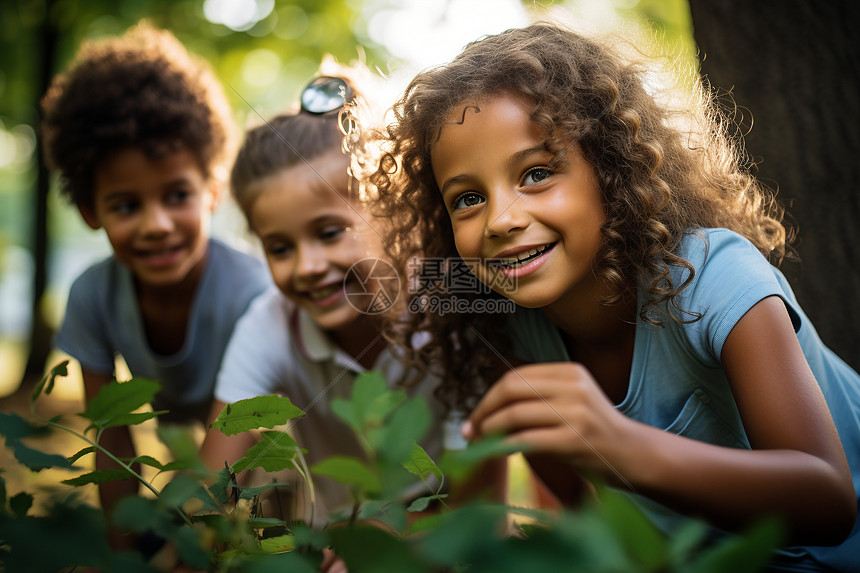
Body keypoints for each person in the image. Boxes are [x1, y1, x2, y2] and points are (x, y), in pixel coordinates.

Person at [369, 22, 860, 572]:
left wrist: (621, 446)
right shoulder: (517, 330)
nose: (501, 220)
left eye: (535, 173)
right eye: (467, 199)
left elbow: (830, 501)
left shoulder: (714, 276)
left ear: (608, 169)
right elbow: (590, 535)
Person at [198, 67, 467, 543]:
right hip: (330, 538)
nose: (306, 266)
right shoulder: (268, 325)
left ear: (395, 211)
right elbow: (209, 482)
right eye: (279, 248)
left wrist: (386, 545)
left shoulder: (449, 313)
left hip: (440, 532)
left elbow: (478, 493)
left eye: (329, 233)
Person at [40, 22, 271, 548]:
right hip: (194, 453)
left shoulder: (252, 293)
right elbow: (112, 440)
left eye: (176, 195)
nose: (156, 224)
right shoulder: (92, 296)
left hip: (268, 450)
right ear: (89, 210)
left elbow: (242, 436)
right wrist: (124, 550)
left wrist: (187, 546)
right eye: (126, 205)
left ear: (212, 191)